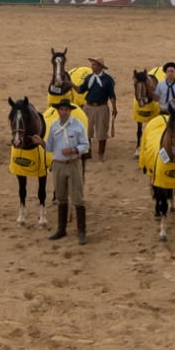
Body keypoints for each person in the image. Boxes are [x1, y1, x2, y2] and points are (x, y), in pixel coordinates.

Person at [36, 98, 91, 244]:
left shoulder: (78, 126)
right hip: (58, 164)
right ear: (58, 110)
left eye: (66, 109)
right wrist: (41, 143)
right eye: (62, 109)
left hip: (73, 164)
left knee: (77, 197)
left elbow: (86, 145)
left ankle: (81, 231)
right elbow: (50, 147)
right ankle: (61, 229)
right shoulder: (54, 126)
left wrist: (73, 150)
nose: (64, 112)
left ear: (70, 111)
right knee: (60, 197)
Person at [81, 57, 117, 160]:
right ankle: (88, 152)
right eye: (92, 64)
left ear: (100, 66)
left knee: (102, 131)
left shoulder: (108, 79)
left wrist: (114, 107)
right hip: (88, 106)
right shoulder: (88, 78)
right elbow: (81, 90)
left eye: (94, 65)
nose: (91, 66)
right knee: (86, 130)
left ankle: (101, 154)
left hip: (102, 107)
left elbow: (112, 95)